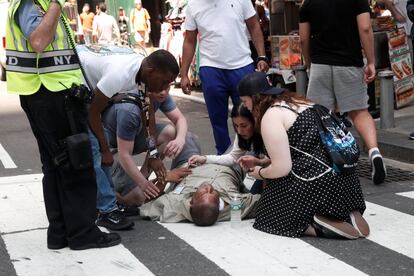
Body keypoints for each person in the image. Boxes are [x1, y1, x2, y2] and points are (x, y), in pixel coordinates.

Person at [6, 0, 120, 249]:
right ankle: (82, 233)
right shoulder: (34, 3)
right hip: (51, 92)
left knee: (56, 166)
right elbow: (38, 41)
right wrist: (57, 4)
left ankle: (60, 233)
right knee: (76, 163)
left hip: (46, 92)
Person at [237, 72, 370, 240]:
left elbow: (282, 168)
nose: (246, 106)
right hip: (346, 180)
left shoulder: (271, 116)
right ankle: (348, 213)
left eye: (245, 101)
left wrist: (259, 172)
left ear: (255, 98)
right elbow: (304, 150)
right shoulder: (302, 103)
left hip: (316, 184)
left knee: (267, 214)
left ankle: (318, 226)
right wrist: (263, 161)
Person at [77, 46, 180, 230]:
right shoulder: (119, 74)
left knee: (102, 156)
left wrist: (154, 153)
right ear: (151, 72)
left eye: (169, 84)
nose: (165, 88)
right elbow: (93, 114)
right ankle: (106, 211)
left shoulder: (142, 74)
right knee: (97, 154)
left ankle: (108, 203)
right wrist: (105, 149)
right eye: (164, 82)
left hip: (95, 90)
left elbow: (149, 114)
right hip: (78, 77)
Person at [299, 0, 387, 185]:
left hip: (320, 64)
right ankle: (374, 152)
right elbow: (364, 28)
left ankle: (327, 163)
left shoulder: (308, 3)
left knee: (321, 116)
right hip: (349, 63)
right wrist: (371, 61)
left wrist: (309, 64)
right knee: (359, 111)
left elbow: (303, 38)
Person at [180, 0, 269, 155]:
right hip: (211, 68)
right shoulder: (193, 5)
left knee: (249, 117)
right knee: (218, 121)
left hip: (242, 65)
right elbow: (189, 40)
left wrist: (262, 56)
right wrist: (184, 74)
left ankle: (253, 157)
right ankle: (224, 161)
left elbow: (254, 26)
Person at [102, 78, 188, 207]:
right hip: (112, 151)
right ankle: (103, 192)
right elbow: (124, 154)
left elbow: (180, 118)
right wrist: (162, 178)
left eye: (167, 87)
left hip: (130, 141)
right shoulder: (129, 109)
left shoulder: (158, 96)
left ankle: (142, 177)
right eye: (160, 87)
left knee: (170, 132)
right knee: (138, 198)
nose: (163, 92)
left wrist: (180, 139)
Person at [139, 135, 260, 226]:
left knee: (187, 136)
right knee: (249, 137)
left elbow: (146, 207)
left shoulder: (176, 205)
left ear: (191, 203)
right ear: (219, 206)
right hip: (230, 167)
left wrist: (165, 179)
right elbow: (261, 201)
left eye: (203, 193)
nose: (208, 187)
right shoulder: (234, 206)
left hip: (189, 164)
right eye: (212, 193)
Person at [188, 103, 269, 194]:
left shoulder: (267, 131)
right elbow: (232, 158)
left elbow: (279, 163)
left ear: (254, 121)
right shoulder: (241, 134)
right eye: (236, 125)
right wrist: (205, 158)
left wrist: (260, 166)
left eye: (244, 126)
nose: (239, 131)